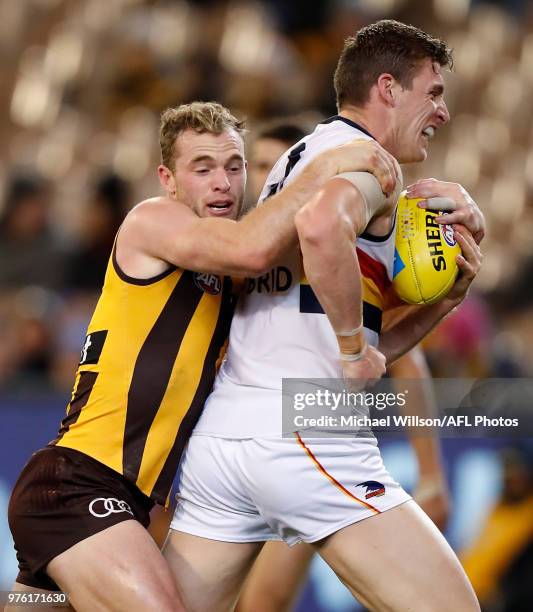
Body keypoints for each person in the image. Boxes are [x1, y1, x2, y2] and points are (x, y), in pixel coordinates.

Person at [6, 101, 399, 612]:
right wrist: (324, 166)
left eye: (235, 167)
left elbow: (348, 336)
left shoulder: (230, 283)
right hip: (76, 485)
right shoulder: (151, 221)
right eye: (203, 168)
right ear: (168, 179)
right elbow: (252, 249)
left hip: (118, 503)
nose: (223, 182)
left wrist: (445, 299)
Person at [164, 21, 484, 612]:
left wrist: (444, 300)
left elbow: (370, 340)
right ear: (387, 88)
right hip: (304, 428)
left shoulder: (300, 155)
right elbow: (320, 227)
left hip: (226, 435)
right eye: (432, 93)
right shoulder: (371, 164)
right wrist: (348, 347)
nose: (442, 110)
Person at [236, 123, 451, 612]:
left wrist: (432, 473)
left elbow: (406, 359)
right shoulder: (244, 254)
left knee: (263, 603)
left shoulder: (338, 252)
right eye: (262, 168)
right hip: (239, 429)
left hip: (308, 427)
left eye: (278, 165)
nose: (272, 176)